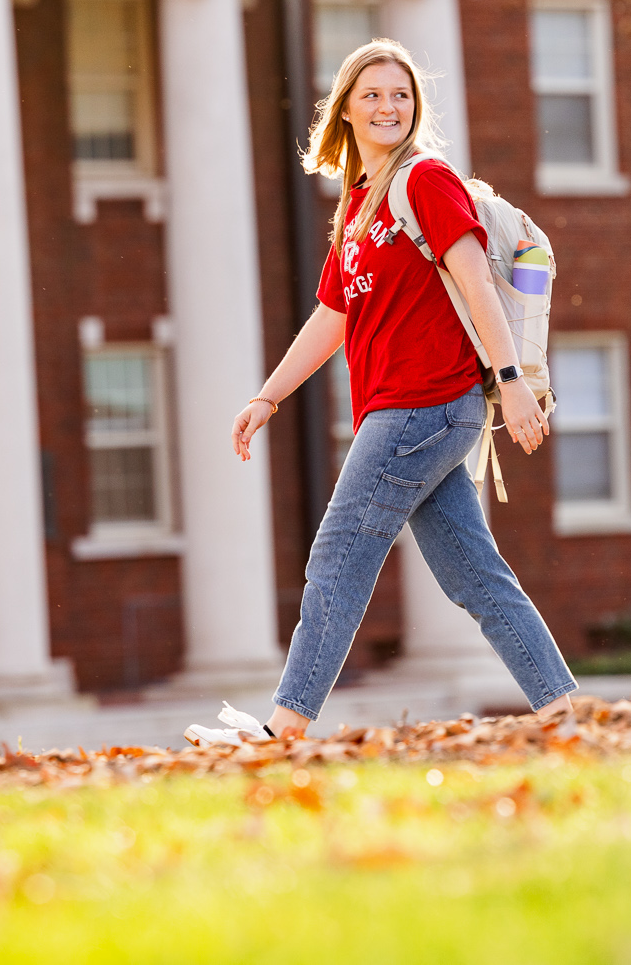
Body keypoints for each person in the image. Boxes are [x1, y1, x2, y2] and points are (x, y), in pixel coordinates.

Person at [227, 39, 577, 739]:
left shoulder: (426, 181)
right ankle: (564, 713)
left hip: (427, 404)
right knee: (474, 575)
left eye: (402, 95)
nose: (390, 107)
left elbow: (476, 281)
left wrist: (511, 384)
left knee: (337, 556)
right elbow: (333, 316)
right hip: (408, 412)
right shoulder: (359, 207)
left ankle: (284, 729)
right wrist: (267, 396)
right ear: (347, 112)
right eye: (374, 96)